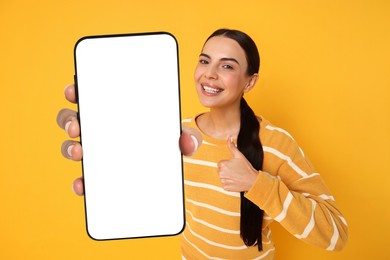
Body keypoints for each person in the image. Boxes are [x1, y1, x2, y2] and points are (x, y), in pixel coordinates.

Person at [57, 28, 348, 259]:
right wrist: (101, 151)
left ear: (250, 82)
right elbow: (139, 185)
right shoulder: (175, 136)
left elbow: (335, 235)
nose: (209, 73)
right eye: (205, 60)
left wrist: (257, 183)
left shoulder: (275, 143)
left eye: (227, 66)